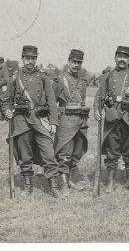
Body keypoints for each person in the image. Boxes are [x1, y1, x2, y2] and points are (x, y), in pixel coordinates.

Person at [5, 45, 63, 198]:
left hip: (39, 119)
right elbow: (6, 100)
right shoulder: (15, 77)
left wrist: (53, 122)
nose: (30, 61)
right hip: (21, 120)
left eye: (33, 58)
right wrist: (7, 110)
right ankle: (28, 185)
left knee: (49, 152)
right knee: (25, 154)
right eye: (28, 58)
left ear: (36, 59)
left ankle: (54, 185)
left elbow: (51, 101)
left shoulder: (43, 77)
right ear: (22, 58)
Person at [94, 46, 129, 193]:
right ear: (115, 58)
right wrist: (97, 109)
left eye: (125, 57)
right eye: (119, 56)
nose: (121, 59)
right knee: (112, 152)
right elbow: (99, 95)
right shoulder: (108, 75)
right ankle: (111, 182)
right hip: (113, 117)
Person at [53, 49, 89, 195]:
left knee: (75, 153)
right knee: (65, 154)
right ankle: (63, 185)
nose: (76, 65)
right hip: (66, 122)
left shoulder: (83, 81)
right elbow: (52, 102)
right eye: (74, 62)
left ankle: (69, 181)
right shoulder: (60, 80)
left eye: (79, 62)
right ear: (68, 61)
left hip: (80, 122)